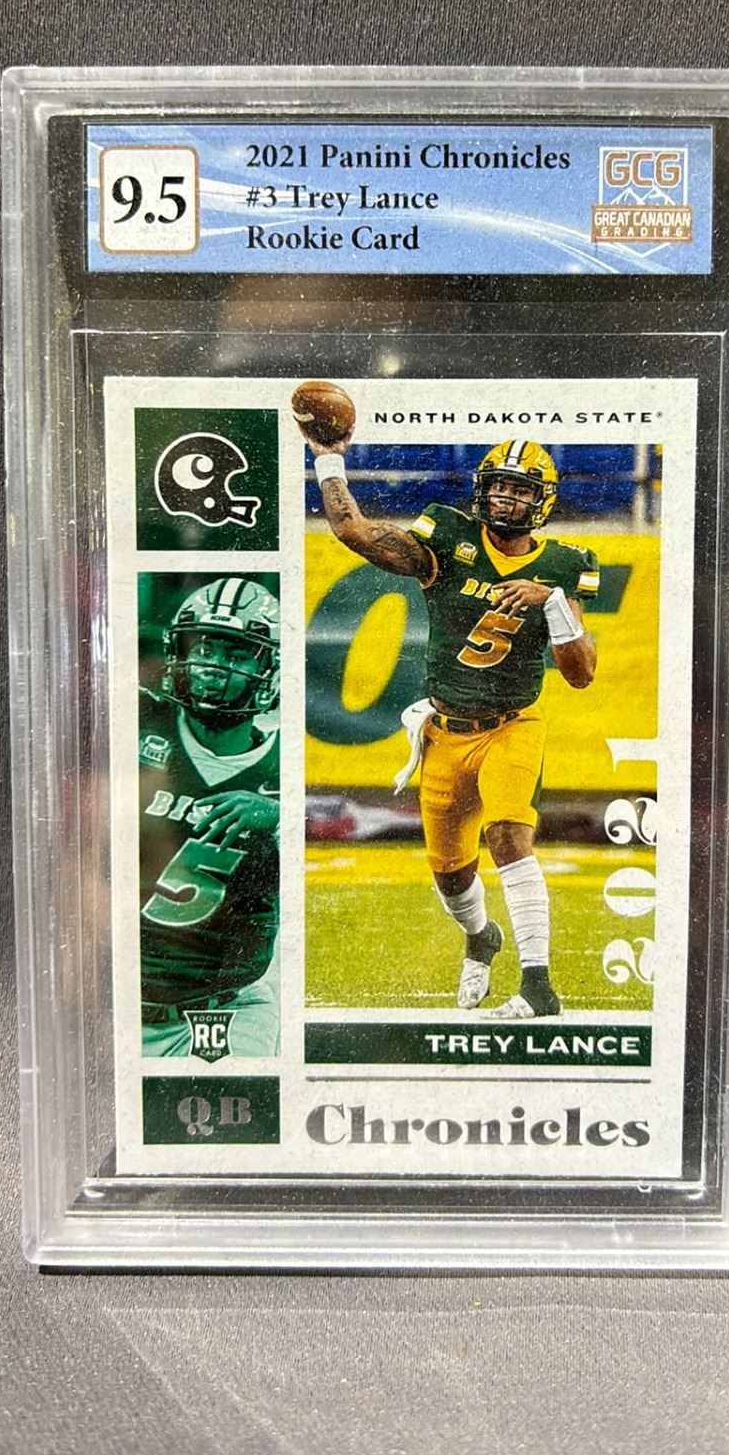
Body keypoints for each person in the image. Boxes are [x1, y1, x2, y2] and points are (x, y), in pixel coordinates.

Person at [304, 429, 598, 1018]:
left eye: (521, 491)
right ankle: (480, 938)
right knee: (451, 876)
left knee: (508, 834)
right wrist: (329, 459)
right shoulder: (447, 536)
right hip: (444, 730)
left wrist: (551, 602)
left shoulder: (566, 566)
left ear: (541, 500)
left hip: (512, 724)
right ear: (482, 489)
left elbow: (582, 673)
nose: (507, 499)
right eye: (500, 487)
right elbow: (352, 531)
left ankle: (538, 985)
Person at [138, 575, 280, 1056]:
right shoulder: (137, 722)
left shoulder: (282, 766)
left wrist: (281, 815)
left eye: (236, 656)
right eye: (204, 649)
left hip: (223, 1009)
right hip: (118, 1007)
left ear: (270, 669)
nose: (212, 667)